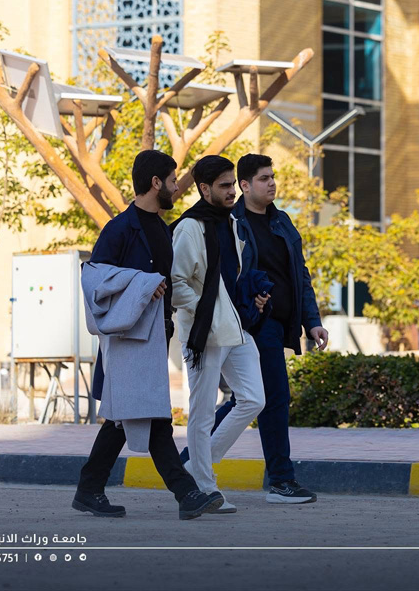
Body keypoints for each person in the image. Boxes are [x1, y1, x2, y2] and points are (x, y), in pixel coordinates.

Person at [73, 149, 221, 521]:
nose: (176, 187)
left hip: (155, 337)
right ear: (156, 183)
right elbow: (94, 280)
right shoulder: (120, 229)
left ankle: (89, 489)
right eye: (172, 180)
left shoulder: (161, 228)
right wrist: (141, 284)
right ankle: (187, 494)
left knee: (125, 417)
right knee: (153, 415)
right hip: (127, 341)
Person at [183, 153, 327, 504]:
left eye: (272, 176)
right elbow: (226, 276)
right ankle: (280, 481)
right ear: (246, 185)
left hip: (277, 323)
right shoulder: (231, 222)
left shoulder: (282, 222)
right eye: (264, 178)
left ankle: (188, 462)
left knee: (249, 399)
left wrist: (312, 321)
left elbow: (300, 275)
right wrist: (243, 302)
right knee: (273, 397)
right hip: (253, 322)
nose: (272, 183)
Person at [171, 155, 266, 513]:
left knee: (253, 399)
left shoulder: (231, 222)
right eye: (224, 186)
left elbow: (231, 276)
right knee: (202, 413)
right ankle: (205, 487)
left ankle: (197, 466)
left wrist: (249, 297)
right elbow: (176, 282)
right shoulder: (190, 227)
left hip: (234, 326)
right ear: (204, 188)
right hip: (204, 332)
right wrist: (205, 311)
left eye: (232, 184)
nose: (231, 191)